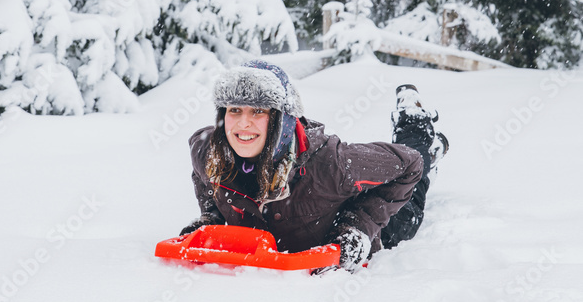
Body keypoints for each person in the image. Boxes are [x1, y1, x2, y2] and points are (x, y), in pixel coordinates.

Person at [180, 59, 448, 271]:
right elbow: (206, 180)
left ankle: (414, 121)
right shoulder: (209, 152)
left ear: (281, 120)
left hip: (382, 220)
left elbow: (408, 164)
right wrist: (212, 218)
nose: (242, 123)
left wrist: (358, 226)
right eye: (234, 110)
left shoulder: (332, 164)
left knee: (418, 175)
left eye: (258, 111)